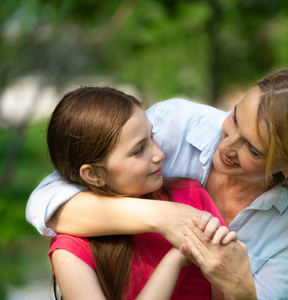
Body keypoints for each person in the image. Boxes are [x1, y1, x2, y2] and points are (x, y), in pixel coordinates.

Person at [27, 68, 288, 299]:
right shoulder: (174, 126)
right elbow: (47, 202)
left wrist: (242, 288)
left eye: (253, 149)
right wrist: (165, 216)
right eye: (234, 118)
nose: (226, 146)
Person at [44, 87, 236, 300]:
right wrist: (175, 260)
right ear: (93, 174)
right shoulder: (71, 249)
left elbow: (226, 292)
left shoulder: (190, 196)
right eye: (138, 150)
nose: (159, 154)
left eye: (151, 137)